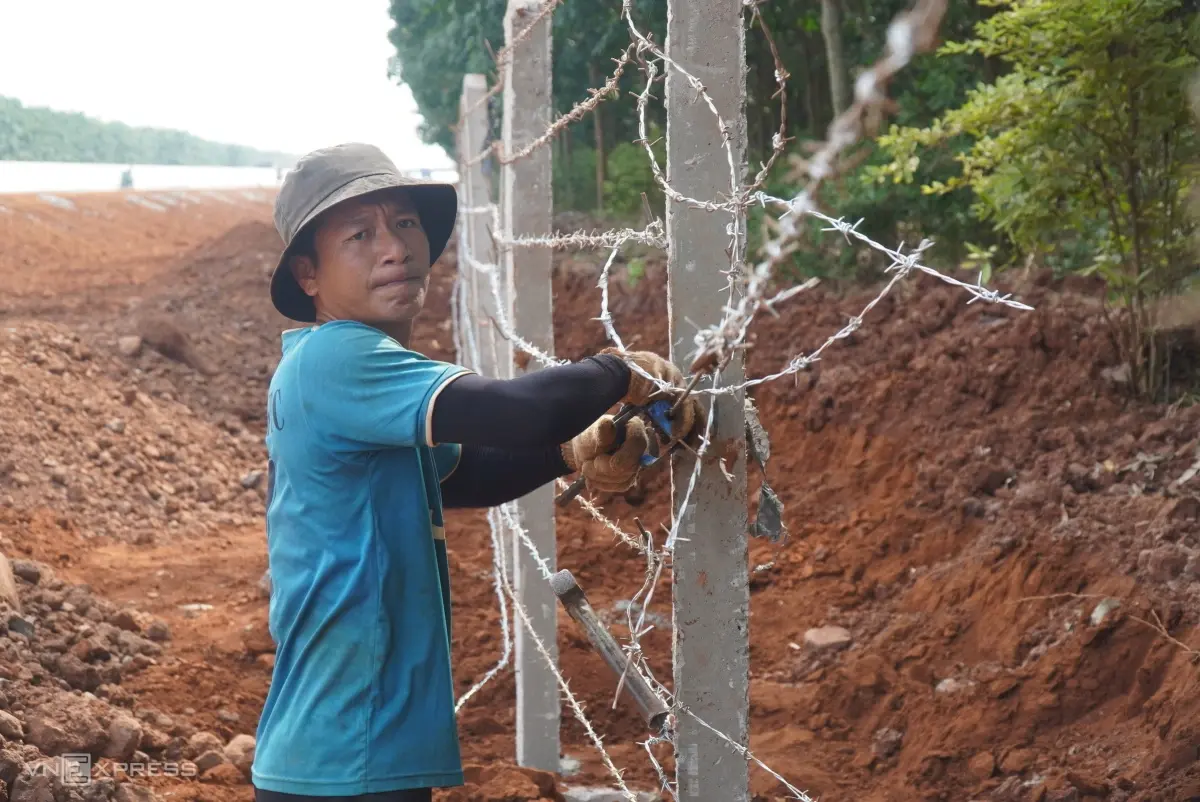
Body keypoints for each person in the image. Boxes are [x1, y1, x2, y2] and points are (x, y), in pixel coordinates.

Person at [252, 142, 702, 802]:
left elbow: (461, 477)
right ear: (308, 275)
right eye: (360, 234)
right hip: (345, 757)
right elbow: (517, 413)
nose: (396, 247)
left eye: (405, 224)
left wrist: (569, 453)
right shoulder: (341, 360)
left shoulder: (333, 364)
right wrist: (618, 371)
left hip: (348, 747)